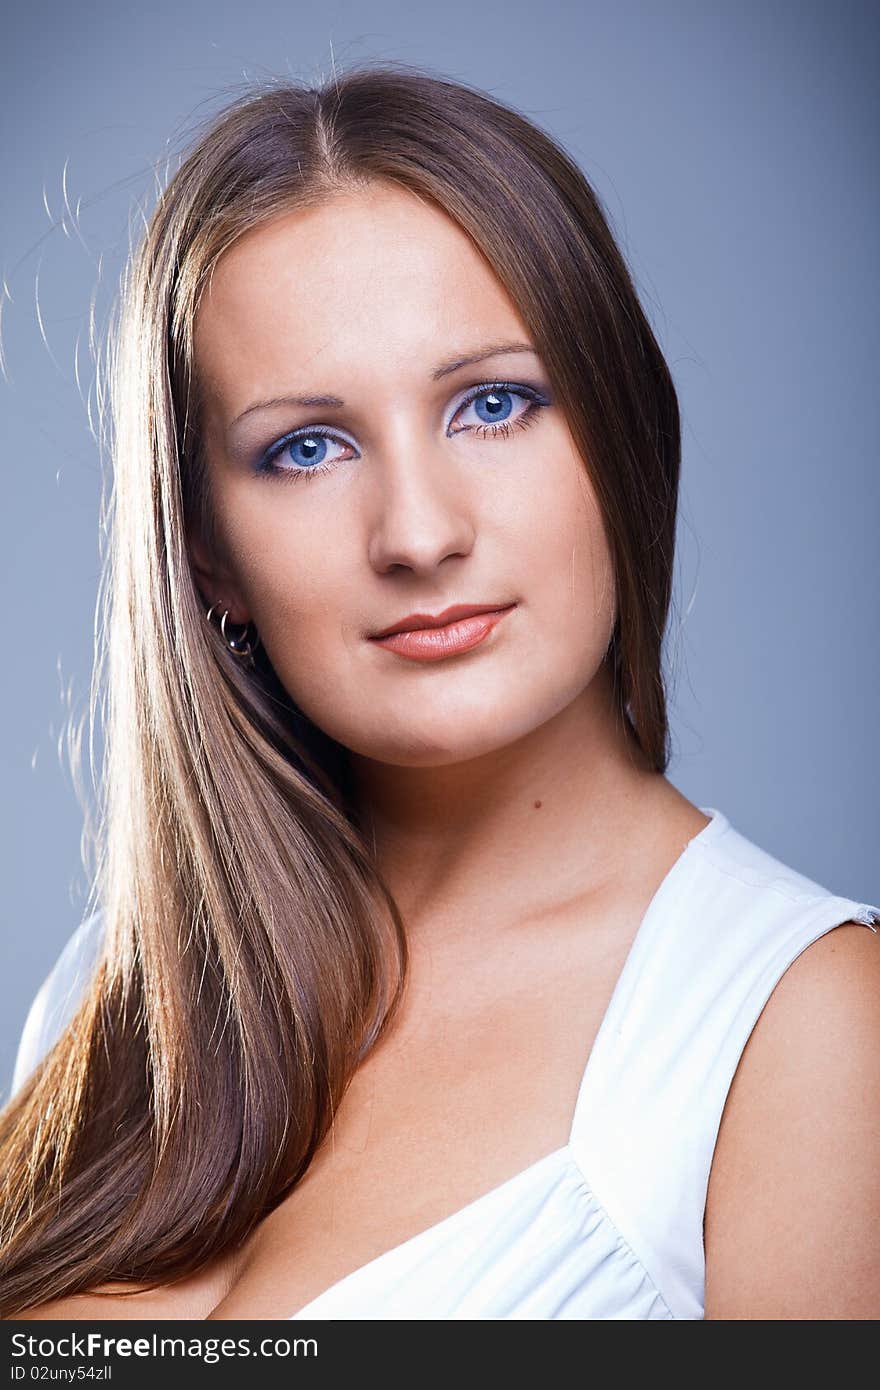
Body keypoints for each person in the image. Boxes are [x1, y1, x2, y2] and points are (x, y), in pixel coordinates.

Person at [2, 63, 878, 1322]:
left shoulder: (802, 1032)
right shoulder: (113, 997)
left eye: (493, 403)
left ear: (619, 439)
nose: (417, 532)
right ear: (207, 553)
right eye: (306, 447)